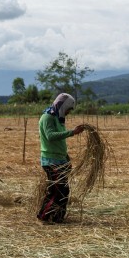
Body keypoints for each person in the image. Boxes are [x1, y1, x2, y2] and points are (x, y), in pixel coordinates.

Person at [37, 93, 86, 223]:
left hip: (60, 159)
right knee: (57, 191)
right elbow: (50, 136)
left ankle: (58, 218)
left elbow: (60, 142)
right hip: (51, 160)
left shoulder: (57, 118)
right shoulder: (47, 117)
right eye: (69, 109)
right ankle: (45, 216)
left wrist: (66, 157)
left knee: (63, 190)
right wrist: (72, 132)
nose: (69, 112)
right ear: (63, 106)